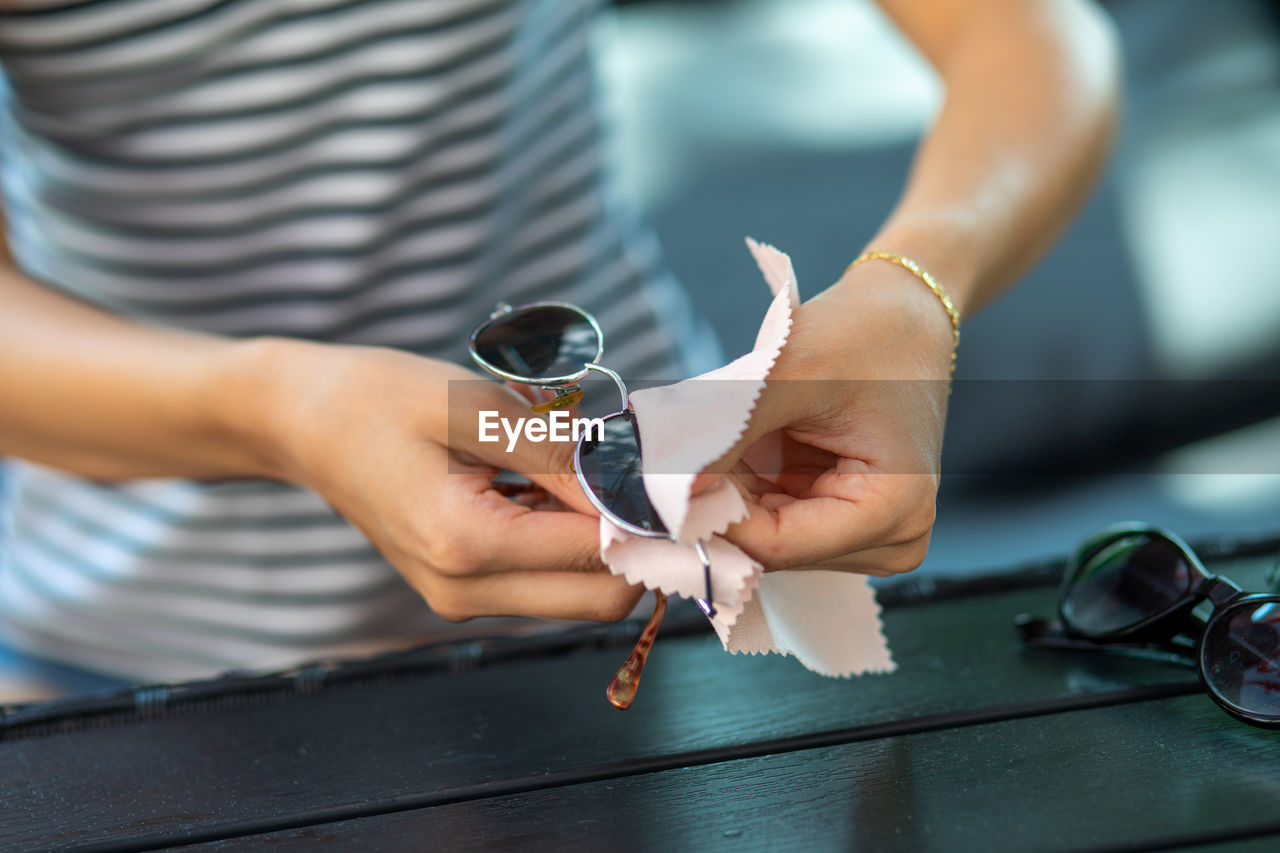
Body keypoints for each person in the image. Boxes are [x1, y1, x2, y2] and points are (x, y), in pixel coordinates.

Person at [0, 0, 1119, 681]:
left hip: (663, 604)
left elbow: (1025, 30)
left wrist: (914, 287)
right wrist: (276, 409)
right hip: (126, 652)